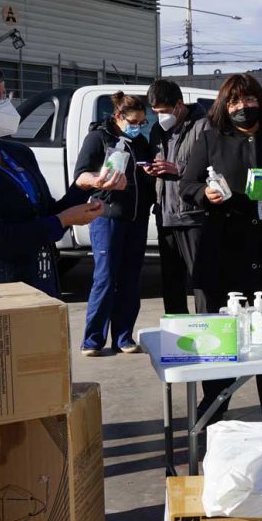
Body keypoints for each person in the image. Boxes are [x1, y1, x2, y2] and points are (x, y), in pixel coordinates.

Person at [180, 73, 262, 423]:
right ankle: (214, 405)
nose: (242, 107)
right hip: (224, 246)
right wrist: (203, 194)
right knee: (220, 331)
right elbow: (187, 184)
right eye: (234, 102)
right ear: (225, 106)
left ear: (260, 103)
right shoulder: (211, 139)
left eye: (248, 100)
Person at [0, 55, 122, 297]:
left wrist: (82, 187)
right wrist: (62, 220)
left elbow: (45, 215)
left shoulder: (17, 153)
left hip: (36, 289)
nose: (6, 105)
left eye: (6, 96)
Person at [74, 91, 155, 356]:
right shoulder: (98, 138)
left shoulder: (140, 142)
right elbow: (80, 177)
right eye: (134, 122)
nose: (138, 127)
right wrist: (98, 180)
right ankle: (93, 340)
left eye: (142, 122)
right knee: (106, 277)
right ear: (118, 116)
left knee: (131, 279)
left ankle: (123, 336)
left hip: (136, 217)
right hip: (107, 217)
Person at [146, 79, 209, 314]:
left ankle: (207, 330)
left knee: (201, 280)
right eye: (155, 113)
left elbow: (214, 168)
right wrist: (150, 170)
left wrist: (178, 169)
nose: (160, 117)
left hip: (193, 216)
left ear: (179, 105)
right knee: (171, 282)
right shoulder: (157, 131)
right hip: (165, 215)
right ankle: (177, 334)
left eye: (164, 112)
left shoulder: (204, 126)